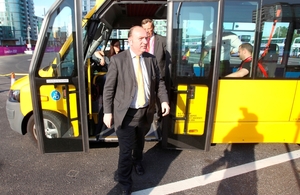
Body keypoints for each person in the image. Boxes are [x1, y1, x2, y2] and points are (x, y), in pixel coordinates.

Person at [102, 26, 170, 195]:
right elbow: (109, 89)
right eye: (141, 39)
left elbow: (159, 83)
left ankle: (137, 160)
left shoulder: (151, 59)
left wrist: (164, 101)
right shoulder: (118, 60)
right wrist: (107, 112)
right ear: (130, 40)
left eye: (146, 38)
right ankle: (125, 182)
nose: (145, 41)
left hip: (145, 112)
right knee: (125, 150)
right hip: (125, 114)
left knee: (139, 142)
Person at [93, 39, 123, 137]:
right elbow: (95, 53)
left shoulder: (122, 54)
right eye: (116, 46)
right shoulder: (108, 55)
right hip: (110, 79)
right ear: (112, 46)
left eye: (119, 45)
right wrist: (102, 59)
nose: (118, 47)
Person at [141, 18, 167, 125]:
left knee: (157, 98)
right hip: (142, 74)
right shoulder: (140, 40)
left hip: (157, 74)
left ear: (153, 28)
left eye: (149, 28)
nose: (147, 31)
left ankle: (159, 118)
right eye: (145, 29)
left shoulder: (163, 40)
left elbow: (168, 59)